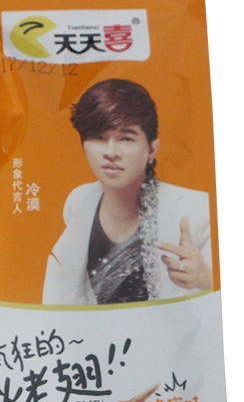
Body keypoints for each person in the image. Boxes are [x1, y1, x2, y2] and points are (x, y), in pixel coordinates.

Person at [42, 79, 213, 305]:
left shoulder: (197, 211)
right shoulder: (79, 201)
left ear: (151, 149)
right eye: (98, 137)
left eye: (126, 138)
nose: (111, 152)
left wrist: (205, 280)